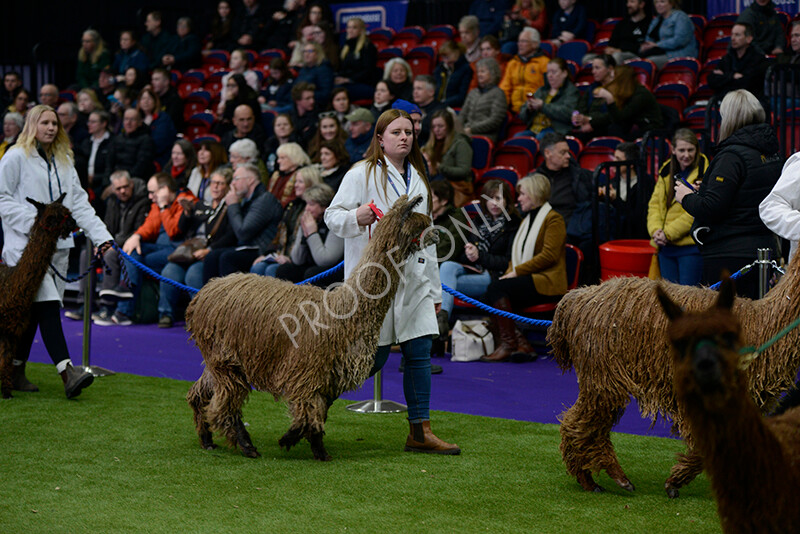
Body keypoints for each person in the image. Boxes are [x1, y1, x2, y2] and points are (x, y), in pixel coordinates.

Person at [325, 108, 461, 454]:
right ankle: (314, 405)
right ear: (380, 139)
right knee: (374, 357)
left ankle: (420, 431)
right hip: (374, 282)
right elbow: (332, 216)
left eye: (410, 132)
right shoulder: (361, 173)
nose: (404, 137)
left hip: (413, 278)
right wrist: (357, 216)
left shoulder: (420, 179)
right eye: (397, 132)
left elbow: (427, 237)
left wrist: (434, 291)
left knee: (418, 351)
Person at [0, 104, 114, 397]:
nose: (51, 127)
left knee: (35, 313)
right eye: (45, 122)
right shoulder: (14, 157)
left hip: (59, 249)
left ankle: (15, 369)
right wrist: (36, 224)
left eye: (55, 123)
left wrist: (102, 237)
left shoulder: (65, 160)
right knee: (48, 305)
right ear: (32, 125)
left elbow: (79, 204)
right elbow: (1, 198)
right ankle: (68, 372)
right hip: (25, 250)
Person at [676, 90, 782, 299]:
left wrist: (686, 197)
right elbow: (745, 194)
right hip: (764, 247)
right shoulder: (771, 151)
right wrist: (706, 190)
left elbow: (712, 208)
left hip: (730, 255)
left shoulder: (732, 155)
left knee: (728, 325)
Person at [481, 173, 566, 362]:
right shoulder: (526, 219)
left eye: (523, 194)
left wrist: (516, 272)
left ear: (535, 195)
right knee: (494, 288)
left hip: (547, 282)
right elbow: (515, 254)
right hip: (530, 279)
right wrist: (510, 273)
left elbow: (548, 257)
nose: (518, 198)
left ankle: (510, 344)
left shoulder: (553, 219)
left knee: (495, 288)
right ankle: (521, 344)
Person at [67, 170, 149, 325]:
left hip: (129, 246)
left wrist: (111, 244)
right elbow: (108, 226)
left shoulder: (143, 201)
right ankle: (85, 305)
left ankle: (107, 306)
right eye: (118, 189)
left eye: (125, 187)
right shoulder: (112, 201)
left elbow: (136, 230)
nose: (123, 191)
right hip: (112, 242)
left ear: (131, 184)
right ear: (113, 189)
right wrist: (101, 242)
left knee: (110, 255)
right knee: (87, 254)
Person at [158, 167, 235, 328]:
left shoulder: (229, 208)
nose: (215, 187)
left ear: (228, 186)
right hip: (188, 250)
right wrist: (186, 214)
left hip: (208, 253)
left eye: (220, 183)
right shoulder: (200, 204)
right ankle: (165, 313)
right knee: (169, 272)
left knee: (193, 275)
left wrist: (210, 250)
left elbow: (231, 235)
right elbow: (182, 229)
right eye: (213, 183)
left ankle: (199, 319)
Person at [438, 179, 520, 328]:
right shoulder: (479, 222)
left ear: (507, 200)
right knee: (448, 266)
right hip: (473, 269)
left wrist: (479, 256)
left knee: (441, 284)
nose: (494, 203)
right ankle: (442, 321)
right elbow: (462, 256)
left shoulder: (513, 224)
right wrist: (469, 254)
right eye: (490, 199)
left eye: (498, 198)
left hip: (494, 276)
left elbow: (507, 262)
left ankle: (439, 325)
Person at [117, 173, 197, 325]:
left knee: (136, 260)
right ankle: (124, 304)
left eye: (152, 192)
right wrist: (137, 236)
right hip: (162, 248)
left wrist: (164, 207)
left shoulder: (185, 200)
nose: (149, 196)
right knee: (133, 251)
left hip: (179, 251)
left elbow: (174, 230)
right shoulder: (157, 204)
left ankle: (124, 305)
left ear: (165, 190)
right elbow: (150, 225)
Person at [646, 129, 708, 285]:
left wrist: (668, 233)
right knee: (669, 301)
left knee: (689, 302)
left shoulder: (705, 171)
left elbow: (696, 212)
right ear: (673, 150)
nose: (686, 155)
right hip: (665, 248)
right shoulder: (666, 170)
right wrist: (656, 231)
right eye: (681, 150)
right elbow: (654, 205)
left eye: (690, 150)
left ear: (697, 149)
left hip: (690, 249)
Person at [202, 163, 282, 282]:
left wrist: (233, 205)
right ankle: (211, 299)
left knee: (228, 258)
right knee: (212, 257)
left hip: (260, 250)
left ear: (250, 180)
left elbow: (243, 232)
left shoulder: (265, 200)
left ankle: (232, 299)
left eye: (236, 179)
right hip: (246, 247)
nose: (232, 183)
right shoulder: (247, 199)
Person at [251, 164, 321, 277]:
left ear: (310, 183)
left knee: (272, 270)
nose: (295, 185)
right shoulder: (292, 206)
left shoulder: (314, 208)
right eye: (296, 181)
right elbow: (279, 234)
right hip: (282, 255)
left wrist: (290, 258)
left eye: (300, 182)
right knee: (258, 266)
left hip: (301, 259)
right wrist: (267, 254)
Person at [270, 183, 343, 283]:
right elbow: (297, 260)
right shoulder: (309, 220)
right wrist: (304, 233)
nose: (307, 208)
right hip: (310, 264)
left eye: (311, 204)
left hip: (333, 269)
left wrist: (312, 234)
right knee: (285, 270)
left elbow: (325, 260)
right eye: (306, 204)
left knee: (311, 273)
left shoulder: (334, 222)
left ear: (324, 207)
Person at [571, 65, 662, 141]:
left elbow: (620, 117)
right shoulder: (626, 93)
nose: (611, 80)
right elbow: (611, 117)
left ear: (622, 80)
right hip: (632, 128)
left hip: (648, 131)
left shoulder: (641, 94)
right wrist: (591, 122)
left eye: (613, 77)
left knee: (615, 130)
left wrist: (610, 99)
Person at [535, 132, 592, 228]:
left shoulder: (579, 176)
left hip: (572, 227)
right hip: (542, 227)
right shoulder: (535, 179)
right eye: (563, 153)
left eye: (568, 152)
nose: (568, 156)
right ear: (548, 153)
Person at [519, 57, 580, 140]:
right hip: (534, 129)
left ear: (564, 73)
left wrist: (543, 106)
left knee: (541, 138)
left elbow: (568, 113)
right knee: (517, 138)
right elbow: (522, 115)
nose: (550, 75)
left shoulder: (571, 91)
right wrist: (529, 108)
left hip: (555, 130)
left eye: (554, 72)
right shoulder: (541, 90)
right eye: (548, 72)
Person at [423, 110, 474, 207]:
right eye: (434, 127)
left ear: (449, 126)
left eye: (440, 126)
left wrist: (439, 167)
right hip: (435, 184)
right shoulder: (431, 144)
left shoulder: (461, 144)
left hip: (456, 187)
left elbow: (464, 171)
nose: (436, 130)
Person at [708, 23, 768, 102]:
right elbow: (712, 80)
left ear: (749, 39)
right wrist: (732, 76)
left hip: (749, 104)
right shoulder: (727, 58)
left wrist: (724, 78)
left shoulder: (758, 59)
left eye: (737, 35)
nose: (732, 38)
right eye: (732, 34)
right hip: (725, 102)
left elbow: (746, 84)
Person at [499, 27, 550, 113]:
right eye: (519, 41)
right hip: (514, 111)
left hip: (536, 111)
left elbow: (548, 90)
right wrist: (501, 108)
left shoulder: (545, 63)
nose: (519, 44)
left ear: (535, 44)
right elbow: (505, 88)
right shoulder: (513, 63)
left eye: (524, 41)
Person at [586, 0, 650, 65]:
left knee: (617, 56)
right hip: (616, 52)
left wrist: (621, 50)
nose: (628, 5)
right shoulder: (622, 23)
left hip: (634, 54)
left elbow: (643, 46)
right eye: (628, 2)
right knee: (587, 58)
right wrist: (609, 49)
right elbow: (612, 42)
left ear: (641, 4)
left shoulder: (649, 23)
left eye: (632, 2)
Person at [640, 0, 697, 70]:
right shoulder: (656, 20)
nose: (658, 5)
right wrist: (646, 45)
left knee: (646, 63)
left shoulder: (680, 17)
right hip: (659, 53)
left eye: (662, 2)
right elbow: (649, 37)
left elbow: (680, 40)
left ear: (671, 3)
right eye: (656, 2)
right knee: (635, 60)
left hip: (678, 55)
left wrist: (657, 45)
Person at [460, 58, 508, 142]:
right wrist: (459, 128)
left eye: (483, 71)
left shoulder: (498, 94)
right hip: (466, 131)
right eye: (478, 72)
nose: (479, 74)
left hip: (485, 135)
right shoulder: (473, 92)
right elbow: (462, 115)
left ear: (493, 73)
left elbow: (494, 121)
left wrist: (471, 129)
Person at [74, 109, 112, 208]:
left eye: (93, 122)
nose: (89, 124)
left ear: (104, 124)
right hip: (85, 181)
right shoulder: (86, 142)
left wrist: (94, 178)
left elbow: (110, 168)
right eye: (89, 121)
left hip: (102, 183)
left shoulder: (112, 143)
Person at [335, 17, 379, 101]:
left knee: (338, 91)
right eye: (348, 27)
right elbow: (344, 68)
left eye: (354, 27)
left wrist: (349, 79)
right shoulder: (346, 47)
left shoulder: (368, 47)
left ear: (361, 30)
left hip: (365, 83)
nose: (350, 30)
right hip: (348, 83)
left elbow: (368, 70)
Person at [106, 108, 155, 181]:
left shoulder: (146, 140)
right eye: (126, 119)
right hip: (115, 179)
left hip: (133, 180)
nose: (128, 122)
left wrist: (122, 180)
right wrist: (107, 182)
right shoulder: (116, 139)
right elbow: (109, 164)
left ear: (140, 123)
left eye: (132, 119)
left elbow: (141, 167)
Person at [137, 85, 177, 166]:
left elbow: (160, 144)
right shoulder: (136, 118)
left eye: (149, 99)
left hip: (158, 159)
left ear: (155, 101)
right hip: (138, 157)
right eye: (143, 99)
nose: (146, 101)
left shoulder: (163, 118)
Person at [267, 142, 311, 207]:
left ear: (294, 158)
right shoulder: (277, 175)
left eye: (282, 158)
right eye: (279, 158)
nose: (278, 161)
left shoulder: (301, 176)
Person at [433, 41, 474, 108]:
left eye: (447, 57)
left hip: (454, 106)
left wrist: (443, 103)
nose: (445, 61)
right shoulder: (441, 68)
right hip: (439, 105)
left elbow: (461, 96)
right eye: (443, 57)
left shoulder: (466, 69)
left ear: (456, 53)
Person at [295, 42, 334, 107]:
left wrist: (307, 96)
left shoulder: (324, 70)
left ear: (318, 53)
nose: (306, 54)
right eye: (304, 51)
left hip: (315, 105)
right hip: (299, 104)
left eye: (310, 51)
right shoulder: (303, 70)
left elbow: (326, 94)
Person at [412, 75, 446, 146]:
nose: (415, 92)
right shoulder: (411, 107)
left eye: (419, 89)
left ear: (431, 92)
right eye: (414, 89)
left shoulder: (440, 110)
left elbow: (428, 131)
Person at [288, 81, 319, 148]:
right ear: (297, 101)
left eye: (312, 97)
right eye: (307, 98)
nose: (312, 101)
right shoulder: (289, 117)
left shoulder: (316, 115)